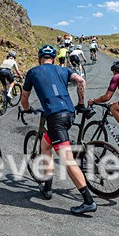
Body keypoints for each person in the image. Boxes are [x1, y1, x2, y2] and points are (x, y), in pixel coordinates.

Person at [20, 45, 97, 215]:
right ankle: (47, 188)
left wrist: (26, 109)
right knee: (45, 145)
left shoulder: (33, 72)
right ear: (54, 59)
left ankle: (88, 201)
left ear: (39, 58)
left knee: (68, 160)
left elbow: (24, 98)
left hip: (56, 119)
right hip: (70, 114)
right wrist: (81, 104)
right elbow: (81, 81)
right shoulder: (64, 70)